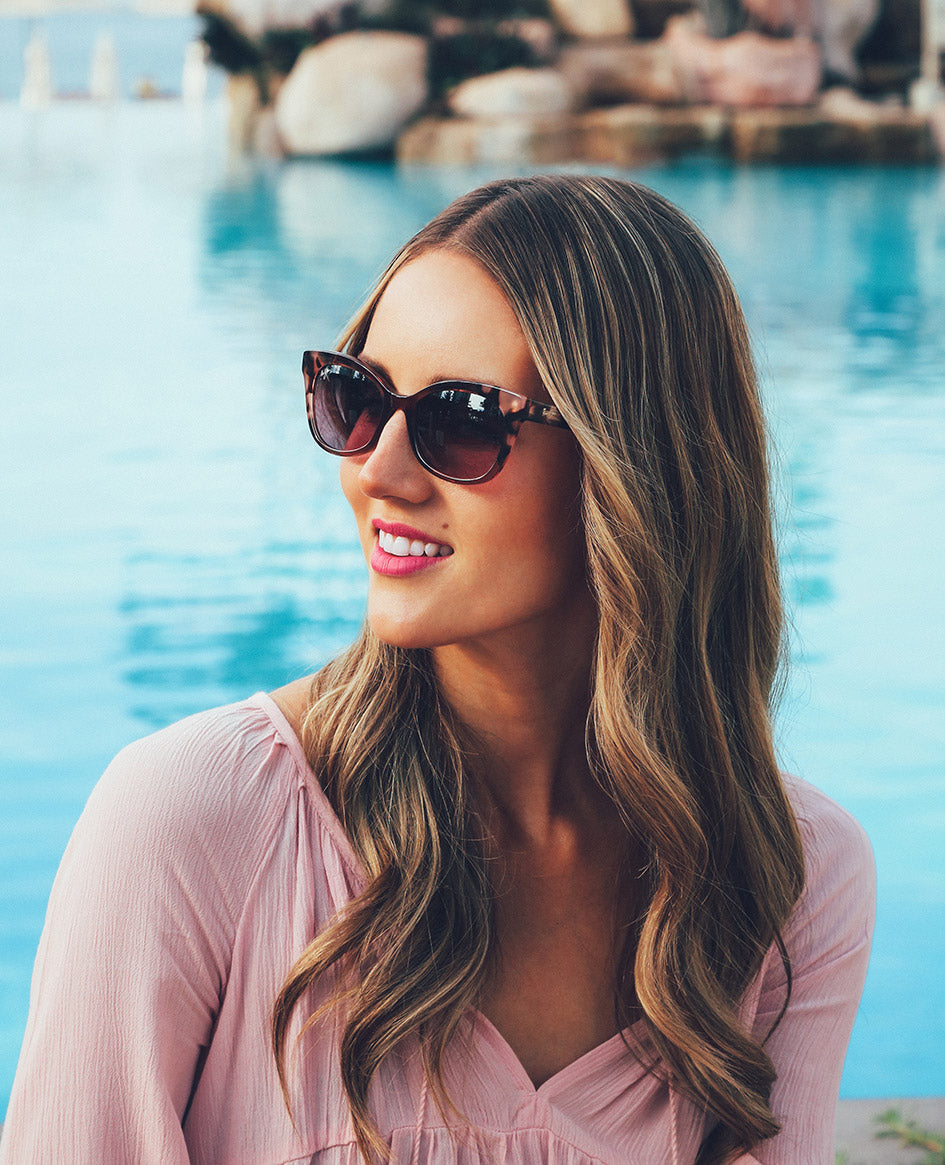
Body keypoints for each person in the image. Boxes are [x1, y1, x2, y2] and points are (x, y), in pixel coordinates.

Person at [0, 175, 874, 1165]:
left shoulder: (788, 876)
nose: (379, 469)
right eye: (355, 398)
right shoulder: (194, 821)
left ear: (634, 462)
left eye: (461, 417)